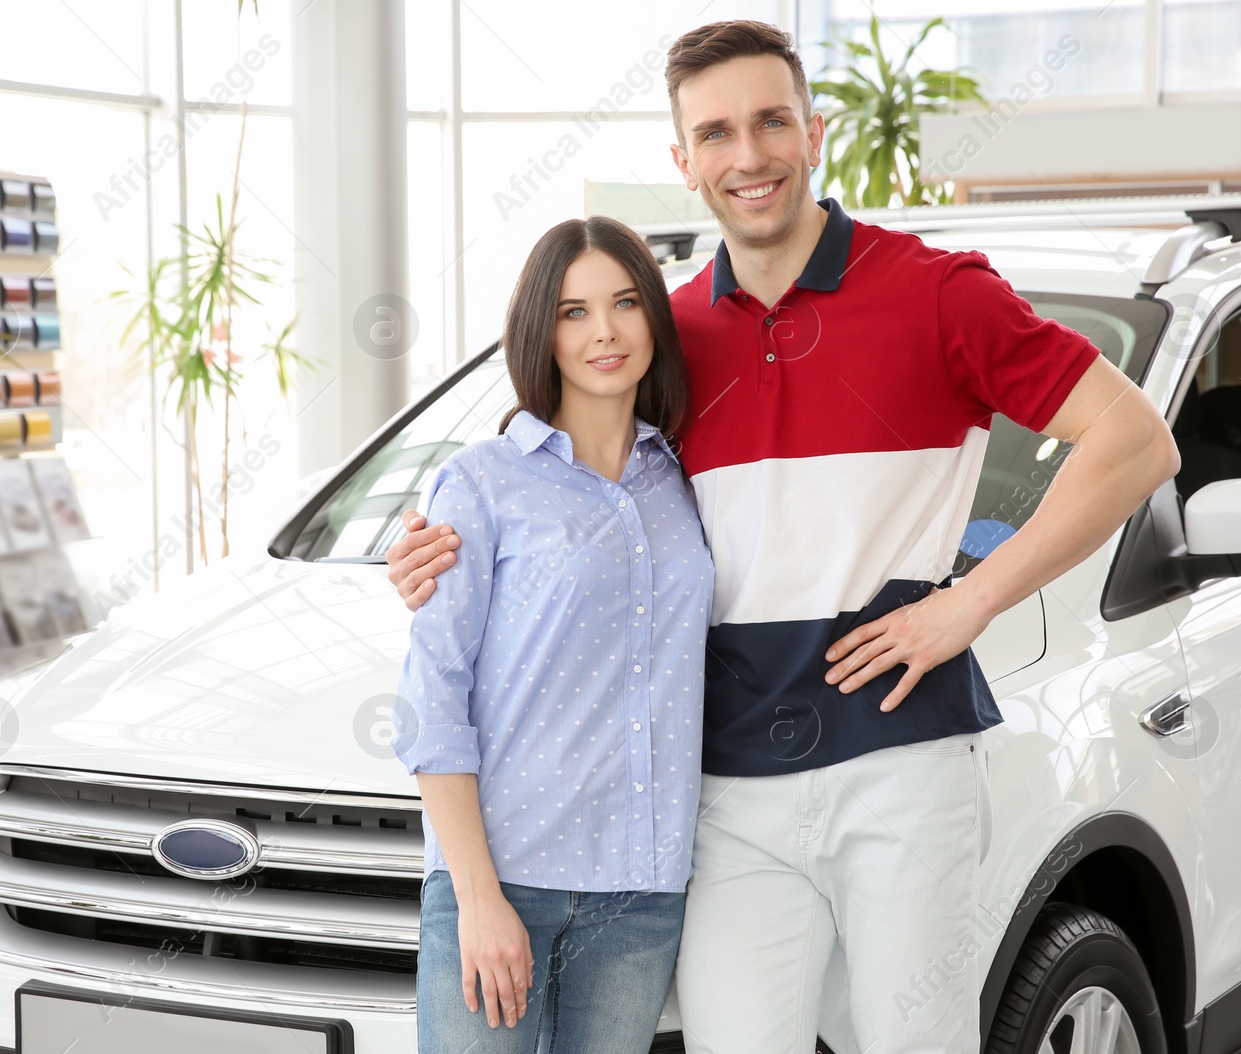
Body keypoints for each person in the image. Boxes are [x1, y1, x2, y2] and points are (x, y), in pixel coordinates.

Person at [389, 20, 1179, 1054]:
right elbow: (575, 499)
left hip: (903, 760)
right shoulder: (663, 342)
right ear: (684, 163)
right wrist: (432, 549)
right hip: (723, 795)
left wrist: (971, 599)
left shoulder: (938, 295)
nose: (747, 155)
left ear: (814, 133)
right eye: (714, 133)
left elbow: (1134, 440)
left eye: (770, 122)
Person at [394, 215, 715, 1054]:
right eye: (574, 311)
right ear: (541, 329)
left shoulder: (688, 481)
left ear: (654, 318)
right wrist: (477, 895)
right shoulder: (482, 483)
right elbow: (435, 702)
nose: (603, 331)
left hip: (642, 889)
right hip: (508, 879)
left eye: (623, 304)